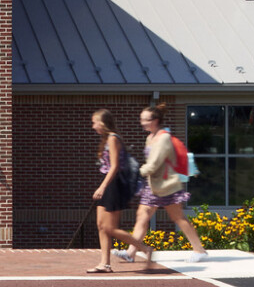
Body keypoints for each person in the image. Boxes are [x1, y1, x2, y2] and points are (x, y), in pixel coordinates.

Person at [131, 103, 207, 268]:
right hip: (153, 185)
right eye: (141, 119)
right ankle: (130, 252)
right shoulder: (150, 137)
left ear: (156, 120)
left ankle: (199, 250)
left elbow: (154, 164)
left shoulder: (163, 138)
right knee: (142, 216)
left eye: (145, 119)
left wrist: (136, 172)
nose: (142, 122)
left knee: (178, 217)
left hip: (167, 185)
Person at [86, 108, 146, 273]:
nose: (93, 126)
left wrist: (102, 187)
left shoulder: (113, 139)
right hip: (107, 182)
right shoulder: (107, 139)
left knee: (110, 227)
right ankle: (104, 264)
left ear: (102, 123)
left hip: (114, 184)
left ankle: (144, 248)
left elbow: (115, 166)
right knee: (100, 225)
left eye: (94, 122)